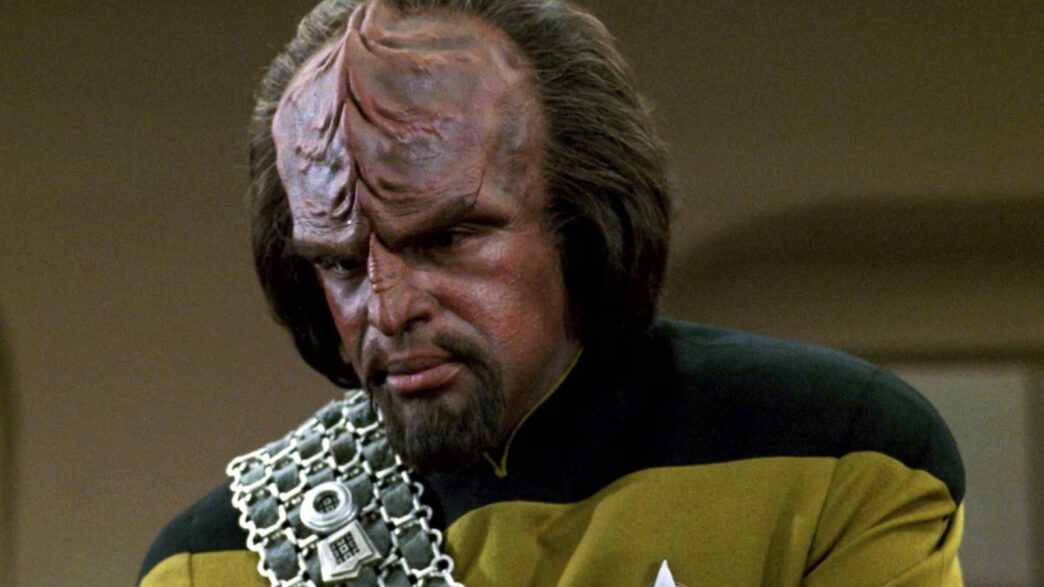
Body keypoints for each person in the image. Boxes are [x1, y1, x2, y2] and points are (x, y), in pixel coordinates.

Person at [138, 0, 965, 585]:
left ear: (582, 218)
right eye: (343, 264)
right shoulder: (211, 564)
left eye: (446, 239)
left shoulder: (835, 457)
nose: (387, 311)